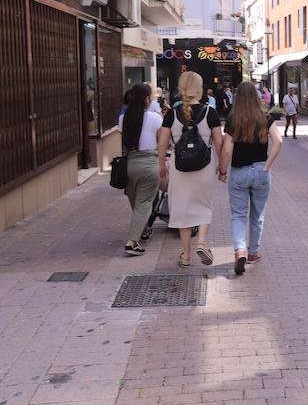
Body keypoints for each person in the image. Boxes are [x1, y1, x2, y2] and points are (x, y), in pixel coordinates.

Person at [158, 71, 223, 268]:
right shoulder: (210, 112)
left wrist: (162, 164)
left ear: (181, 90)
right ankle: (201, 242)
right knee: (204, 205)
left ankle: (186, 255)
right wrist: (222, 165)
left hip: (180, 167)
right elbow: (219, 142)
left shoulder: (172, 113)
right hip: (205, 166)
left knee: (182, 209)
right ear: (200, 89)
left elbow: (162, 143)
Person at [219, 81, 283, 275]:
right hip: (261, 172)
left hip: (239, 172)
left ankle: (240, 251)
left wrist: (222, 170)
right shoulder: (266, 117)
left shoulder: (233, 119)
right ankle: (253, 253)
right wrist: (267, 165)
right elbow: (278, 141)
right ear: (256, 97)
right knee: (257, 216)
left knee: (239, 215)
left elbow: (227, 149)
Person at [118, 84, 163, 256]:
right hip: (149, 164)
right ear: (146, 100)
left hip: (130, 164)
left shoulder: (123, 118)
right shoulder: (155, 118)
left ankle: (143, 231)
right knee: (143, 204)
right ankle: (132, 242)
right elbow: (161, 142)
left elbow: (123, 142)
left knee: (136, 203)